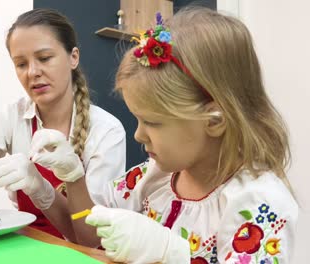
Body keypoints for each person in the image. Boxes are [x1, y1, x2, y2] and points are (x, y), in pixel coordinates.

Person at [32, 8, 298, 263]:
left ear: (215, 120)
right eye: (138, 119)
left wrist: (174, 254)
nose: (138, 135)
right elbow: (90, 237)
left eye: (152, 122)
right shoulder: (151, 177)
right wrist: (72, 179)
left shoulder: (258, 202)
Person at [0, 8, 126, 242]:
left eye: (44, 58)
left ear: (73, 57)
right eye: (21, 64)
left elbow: (92, 239)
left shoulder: (106, 131)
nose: (32, 72)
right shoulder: (12, 116)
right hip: (26, 241)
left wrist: (41, 187)